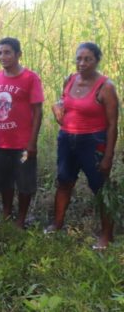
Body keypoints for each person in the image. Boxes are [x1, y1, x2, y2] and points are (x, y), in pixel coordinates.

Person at [47, 42, 118, 249]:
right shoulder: (70, 80)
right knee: (64, 181)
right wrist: (57, 106)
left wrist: (108, 157)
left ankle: (106, 235)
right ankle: (57, 224)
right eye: (79, 58)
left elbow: (113, 125)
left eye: (88, 59)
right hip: (67, 139)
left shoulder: (106, 87)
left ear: (97, 60)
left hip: (93, 141)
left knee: (100, 187)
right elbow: (64, 101)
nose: (82, 63)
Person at [0, 37, 43, 229]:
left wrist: (32, 142)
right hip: (0, 143)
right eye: (0, 53)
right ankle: (7, 212)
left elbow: (37, 112)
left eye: (7, 52)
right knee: (4, 181)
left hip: (23, 145)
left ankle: (21, 219)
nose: (2, 56)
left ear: (18, 54)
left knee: (25, 183)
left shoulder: (30, 78)